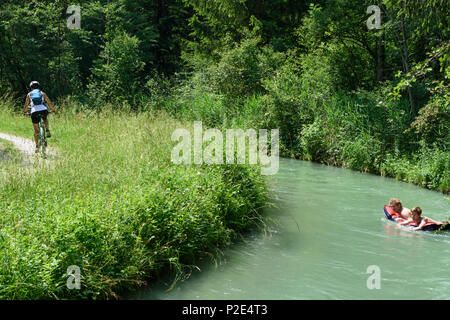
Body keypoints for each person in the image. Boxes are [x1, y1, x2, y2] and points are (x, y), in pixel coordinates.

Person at [23, 81, 55, 152]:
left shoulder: (29, 94)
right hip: (43, 110)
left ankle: (37, 146)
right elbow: (49, 102)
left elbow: (26, 105)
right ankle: (47, 130)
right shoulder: (42, 93)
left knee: (36, 130)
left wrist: (25, 112)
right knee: (45, 118)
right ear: (38, 87)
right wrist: (52, 109)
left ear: (31, 88)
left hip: (34, 111)